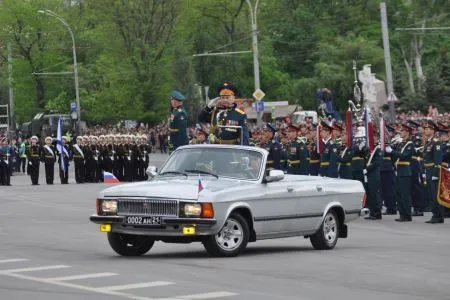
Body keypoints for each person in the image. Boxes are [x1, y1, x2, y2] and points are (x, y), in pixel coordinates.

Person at [386, 124, 414, 222]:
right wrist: (389, 150)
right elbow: (395, 156)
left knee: (405, 195)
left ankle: (407, 215)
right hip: (398, 171)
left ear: (407, 132)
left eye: (402, 131)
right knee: (399, 194)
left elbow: (403, 156)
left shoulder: (410, 144)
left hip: (405, 171)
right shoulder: (401, 144)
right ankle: (402, 215)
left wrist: (392, 151)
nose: (400, 133)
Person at [421, 120, 444, 224]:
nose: (425, 131)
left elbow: (438, 160)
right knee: (431, 194)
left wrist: (436, 173)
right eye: (425, 129)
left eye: (427, 129)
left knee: (435, 195)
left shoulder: (436, 142)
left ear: (433, 130)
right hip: (428, 171)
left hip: (433, 172)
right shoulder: (428, 142)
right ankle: (436, 215)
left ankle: (438, 216)